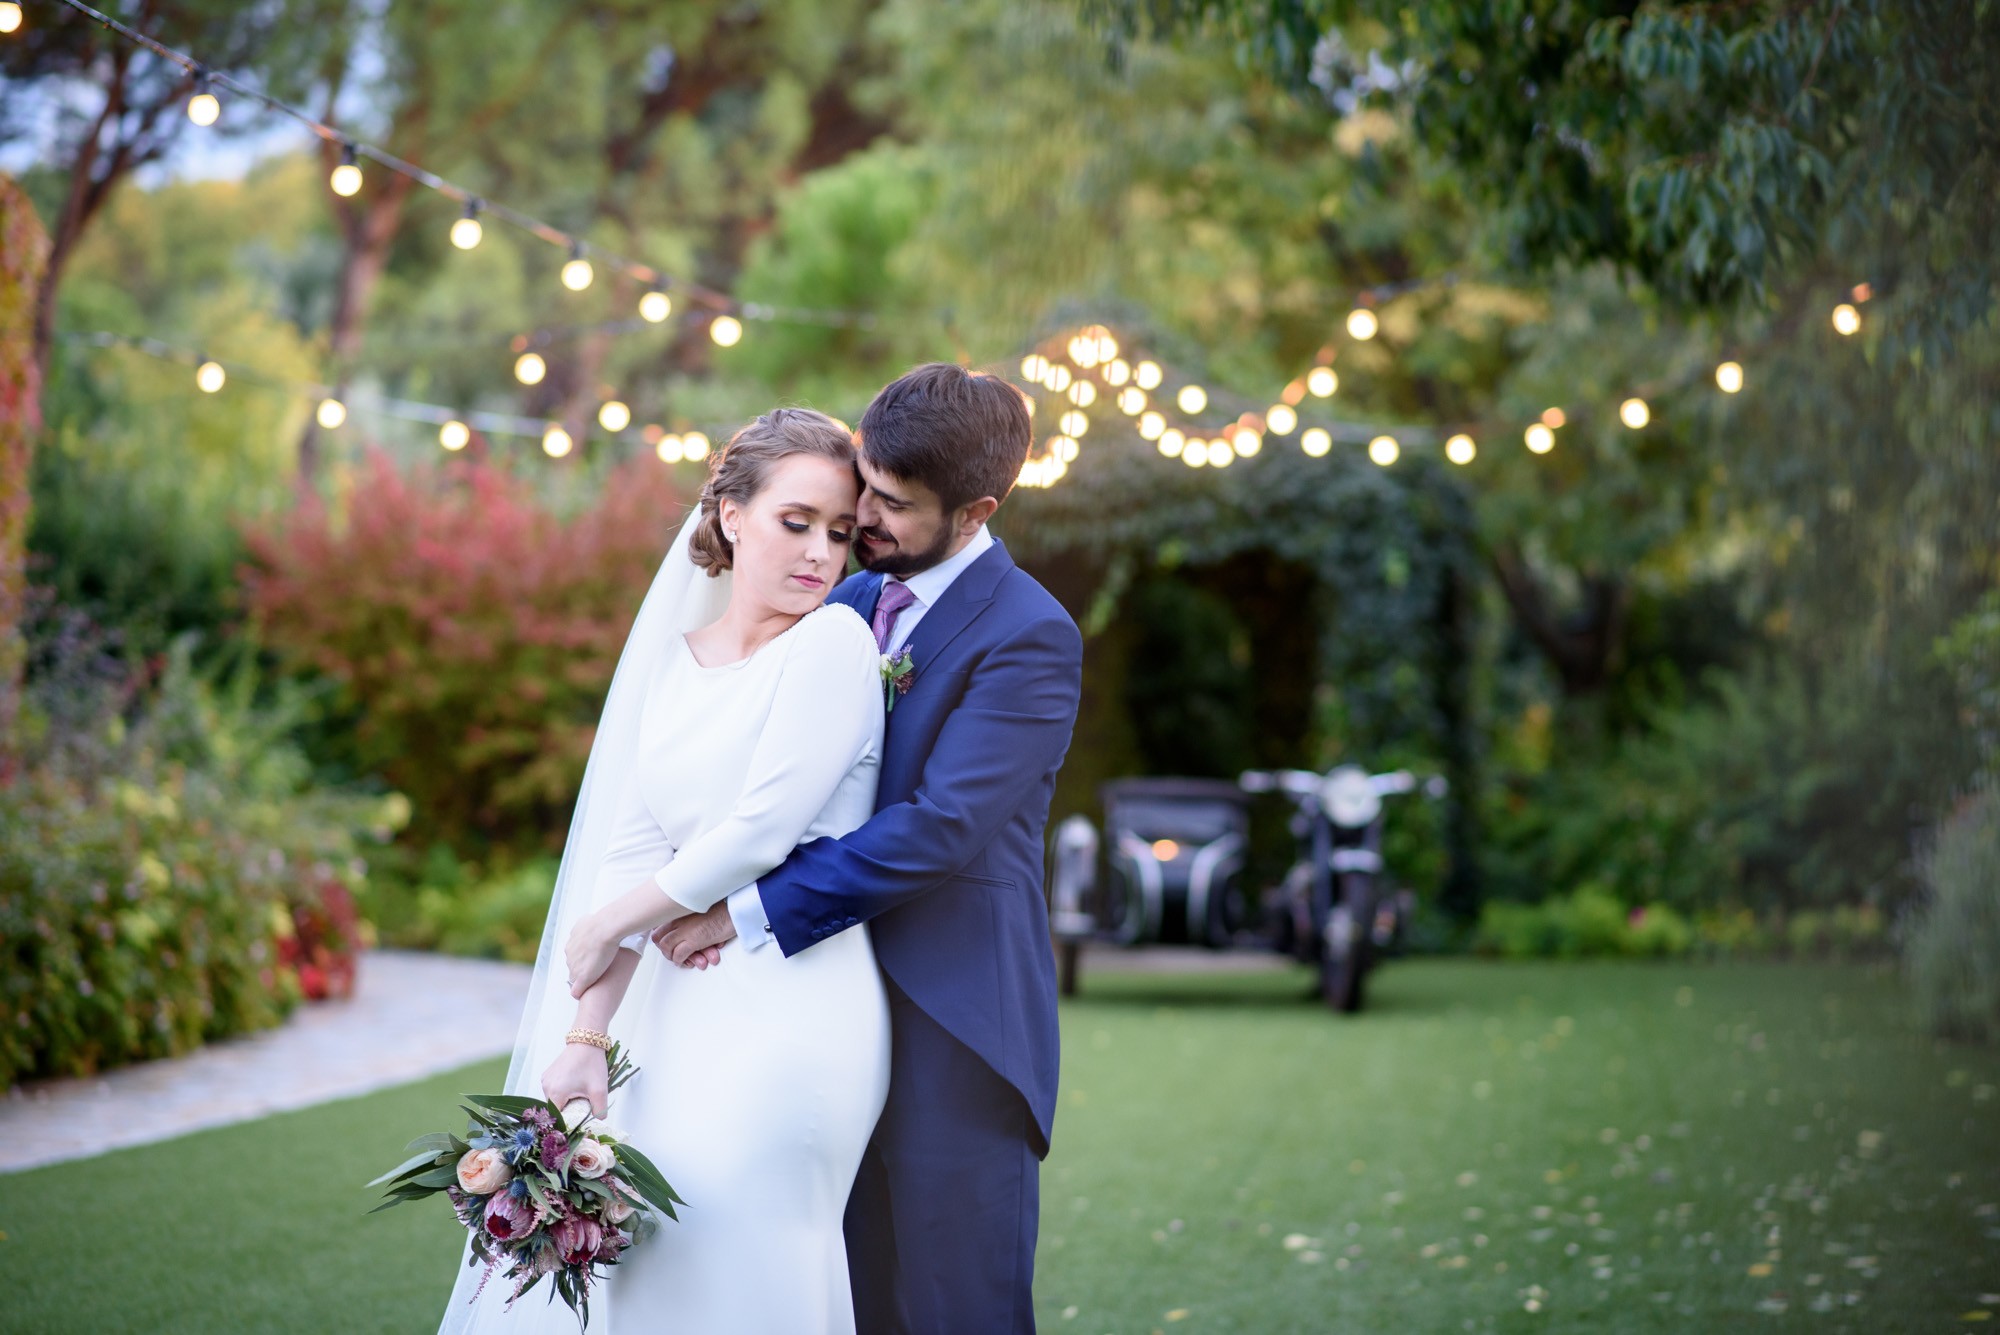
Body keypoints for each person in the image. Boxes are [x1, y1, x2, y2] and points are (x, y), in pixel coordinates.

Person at [436, 407, 893, 1333]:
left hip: (796, 1004)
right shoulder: (673, 667)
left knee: (752, 1246)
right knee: (654, 1258)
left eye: (841, 533)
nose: (820, 553)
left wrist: (609, 925)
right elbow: (635, 848)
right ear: (730, 513)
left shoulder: (835, 644)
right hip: (677, 1012)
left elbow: (763, 829)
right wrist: (588, 1034)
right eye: (795, 521)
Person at [653, 362, 1085, 1334]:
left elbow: (940, 827)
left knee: (953, 1309)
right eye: (864, 482)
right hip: (814, 1022)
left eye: (891, 506)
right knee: (843, 1296)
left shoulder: (1030, 636)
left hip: (953, 1023)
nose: (862, 518)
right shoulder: (842, 607)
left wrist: (742, 909)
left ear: (972, 512)